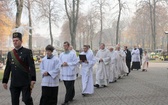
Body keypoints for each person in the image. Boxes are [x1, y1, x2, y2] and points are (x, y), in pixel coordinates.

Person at [2, 32, 36, 105]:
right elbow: (8, 68)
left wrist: (33, 79)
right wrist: (5, 81)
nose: (15, 42)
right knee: (14, 102)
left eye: (17, 40)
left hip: (25, 81)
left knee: (26, 100)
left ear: (21, 41)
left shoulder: (27, 52)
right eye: (13, 41)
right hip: (14, 82)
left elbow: (31, 66)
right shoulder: (10, 53)